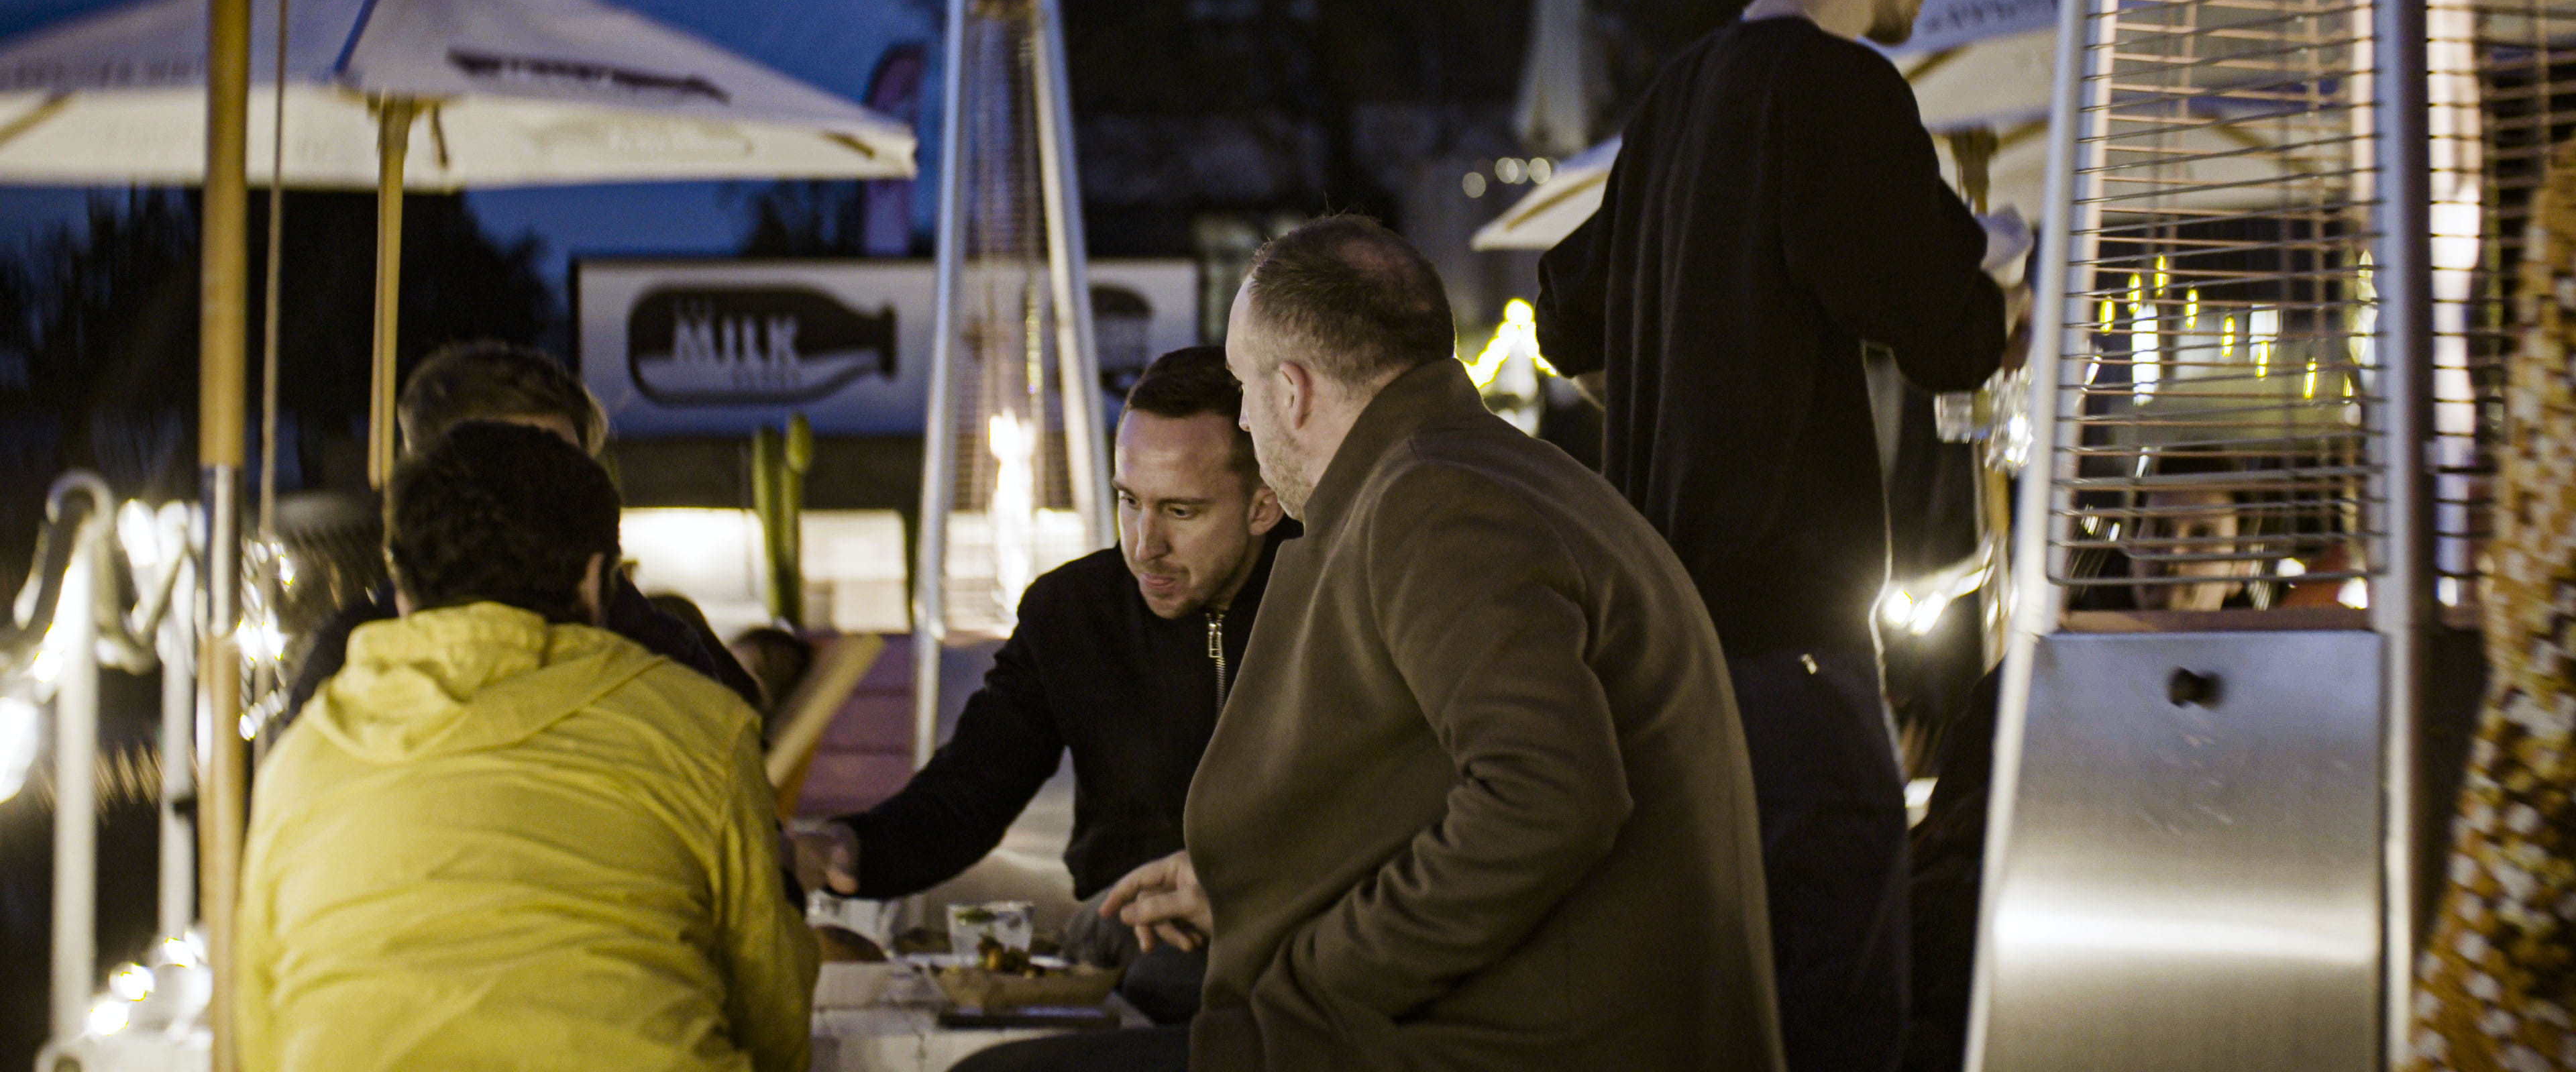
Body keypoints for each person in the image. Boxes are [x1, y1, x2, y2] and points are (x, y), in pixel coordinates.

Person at [1534, 0, 2024, 1072]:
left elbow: (1562, 322)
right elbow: (1951, 336)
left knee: (1705, 1004)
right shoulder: (1839, 88)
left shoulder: (1684, 91)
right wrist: (2005, 287)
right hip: (1789, 656)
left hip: (1656, 658)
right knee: (1835, 996)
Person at [1102, 217, 1781, 1071]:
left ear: (1293, 392)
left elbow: (1545, 795)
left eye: (1242, 386)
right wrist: (1256, 890)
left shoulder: (1431, 502)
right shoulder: (1494, 474)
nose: (1242, 418)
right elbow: (1438, 773)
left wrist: (1319, 978)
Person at [235, 422, 815, 1072]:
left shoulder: (303, 761)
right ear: (597, 583)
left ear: (402, 598)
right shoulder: (701, 731)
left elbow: (257, 1030)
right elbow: (774, 1024)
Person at [792, 345, 1287, 1024]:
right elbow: (971, 786)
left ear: (1264, 506)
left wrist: (1248, 891)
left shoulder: (1327, 597)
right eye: (1128, 501)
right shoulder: (1073, 612)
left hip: (1288, 927)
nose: (1145, 545)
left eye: (1181, 512)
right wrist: (851, 848)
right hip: (1126, 928)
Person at [282, 340, 761, 722]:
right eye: (510, 475)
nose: (545, 498)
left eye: (565, 472)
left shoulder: (655, 646)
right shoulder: (349, 662)